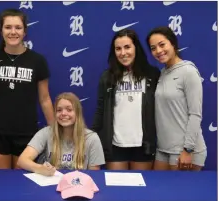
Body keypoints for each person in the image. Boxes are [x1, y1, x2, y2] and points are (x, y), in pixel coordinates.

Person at [0, 8, 54, 169]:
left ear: (25, 31)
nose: (13, 32)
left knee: (22, 186)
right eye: (8, 27)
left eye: (18, 27)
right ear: (1, 30)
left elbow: (44, 99)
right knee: (0, 184)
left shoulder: (37, 60)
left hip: (27, 133)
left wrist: (55, 132)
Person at [92, 29, 160, 170]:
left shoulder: (152, 74)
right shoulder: (107, 77)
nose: (123, 53)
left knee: (141, 188)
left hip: (143, 145)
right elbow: (100, 110)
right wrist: (92, 138)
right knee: (117, 189)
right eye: (118, 49)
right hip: (116, 145)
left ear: (136, 48)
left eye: (127, 47)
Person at [146, 26, 207, 171]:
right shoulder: (162, 73)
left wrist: (188, 150)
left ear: (173, 43)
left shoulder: (189, 71)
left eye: (162, 44)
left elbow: (195, 114)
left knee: (180, 194)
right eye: (153, 48)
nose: (158, 51)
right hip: (163, 149)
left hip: (184, 151)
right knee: (158, 193)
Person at [17, 92, 105, 176]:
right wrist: (40, 168)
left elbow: (94, 175)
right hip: (51, 185)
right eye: (59, 110)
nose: (63, 113)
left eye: (69, 110)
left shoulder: (92, 138)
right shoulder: (46, 133)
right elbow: (22, 160)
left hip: (79, 186)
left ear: (78, 113)